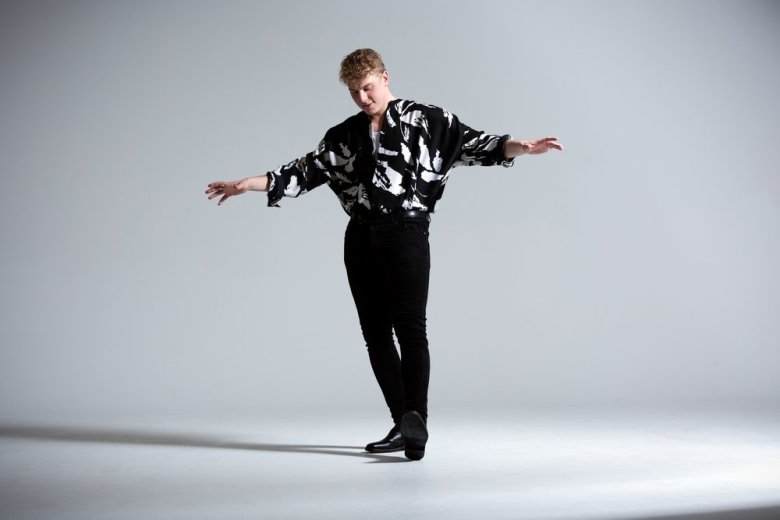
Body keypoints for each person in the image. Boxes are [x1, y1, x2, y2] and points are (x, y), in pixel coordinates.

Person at [205, 48, 562, 461]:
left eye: (368, 87)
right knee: (375, 334)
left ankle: (417, 421)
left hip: (407, 233)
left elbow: (478, 145)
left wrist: (522, 147)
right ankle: (403, 422)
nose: (362, 98)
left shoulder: (429, 120)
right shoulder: (344, 134)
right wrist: (247, 184)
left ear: (385, 78)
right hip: (360, 237)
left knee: (410, 329)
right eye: (354, 92)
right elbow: (304, 171)